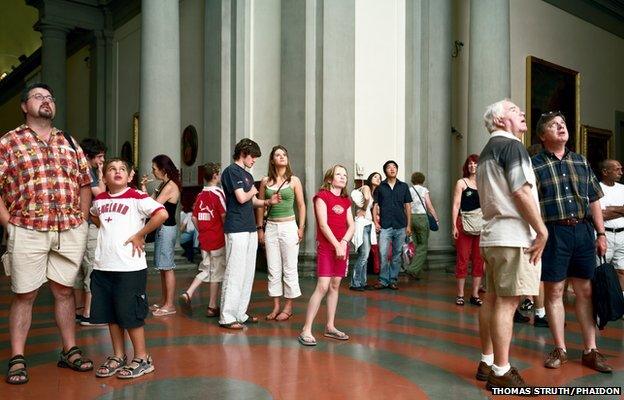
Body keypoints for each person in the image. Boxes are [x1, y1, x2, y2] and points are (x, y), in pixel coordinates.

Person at [1, 83, 94, 384]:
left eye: (50, 98)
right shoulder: (9, 142)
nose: (47, 102)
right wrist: (8, 223)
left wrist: (80, 219)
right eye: (39, 97)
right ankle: (17, 357)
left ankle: (69, 350)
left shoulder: (68, 141)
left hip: (68, 228)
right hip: (27, 227)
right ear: (24, 106)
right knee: (25, 294)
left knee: (65, 291)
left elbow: (84, 182)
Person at [532, 111, 612, 373]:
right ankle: (560, 348)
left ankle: (591, 350)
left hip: (582, 231)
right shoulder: (534, 165)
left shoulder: (580, 161)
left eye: (563, 124)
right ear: (543, 135)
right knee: (554, 292)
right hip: (553, 233)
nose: (561, 127)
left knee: (585, 291)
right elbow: (529, 204)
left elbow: (593, 200)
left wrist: (600, 234)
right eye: (554, 125)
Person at [476, 99, 548, 390]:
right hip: (513, 236)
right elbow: (520, 192)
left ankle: (486, 359)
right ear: (501, 120)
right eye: (514, 110)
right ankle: (502, 371)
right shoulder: (512, 146)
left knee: (492, 299)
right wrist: (541, 230)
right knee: (507, 303)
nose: (521, 113)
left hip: (492, 235)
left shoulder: (485, 152)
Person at [90, 158, 168, 379]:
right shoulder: (100, 200)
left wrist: (139, 234)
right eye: (111, 169)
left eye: (122, 169)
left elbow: (161, 213)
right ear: (104, 176)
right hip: (104, 265)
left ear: (130, 176)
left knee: (130, 314)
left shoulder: (137, 196)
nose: (117, 172)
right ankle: (118, 355)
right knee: (111, 314)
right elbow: (95, 216)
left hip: (129, 267)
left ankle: (142, 358)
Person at [219, 139, 281, 329]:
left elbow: (251, 201)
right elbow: (240, 197)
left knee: (247, 273)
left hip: (249, 227)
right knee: (234, 272)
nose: (254, 160)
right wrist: (253, 189)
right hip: (236, 228)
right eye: (253, 156)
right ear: (243, 153)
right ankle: (227, 316)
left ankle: (240, 312)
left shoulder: (246, 174)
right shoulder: (231, 171)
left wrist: (268, 202)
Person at [298, 165, 355, 346]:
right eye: (338, 174)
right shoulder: (322, 196)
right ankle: (306, 329)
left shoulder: (346, 200)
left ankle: (330, 326)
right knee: (323, 286)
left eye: (345, 175)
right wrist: (336, 244)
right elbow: (323, 225)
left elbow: (351, 225)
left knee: (335, 285)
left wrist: (344, 243)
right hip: (327, 247)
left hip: (341, 247)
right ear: (329, 178)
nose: (343, 177)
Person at [256, 145, 306, 321]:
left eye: (284, 154)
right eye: (278, 155)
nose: (281, 157)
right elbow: (261, 206)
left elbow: (301, 205)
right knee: (273, 268)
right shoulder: (265, 181)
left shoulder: (294, 181)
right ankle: (276, 305)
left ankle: (288, 306)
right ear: (272, 160)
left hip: (289, 226)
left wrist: (301, 227)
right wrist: (260, 229)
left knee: (290, 267)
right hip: (271, 227)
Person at [178, 162, 227, 317]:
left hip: (204, 240)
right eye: (218, 173)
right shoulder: (218, 194)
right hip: (218, 239)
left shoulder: (200, 195)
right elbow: (224, 216)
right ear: (215, 175)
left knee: (206, 269)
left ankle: (190, 293)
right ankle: (211, 306)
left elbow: (193, 218)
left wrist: (202, 231)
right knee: (217, 272)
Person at [140, 154, 181, 317]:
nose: (152, 172)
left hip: (167, 229)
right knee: (163, 268)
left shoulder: (170, 186)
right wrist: (144, 188)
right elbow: (151, 200)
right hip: (162, 229)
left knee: (167, 267)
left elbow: (153, 206)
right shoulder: (164, 183)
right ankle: (165, 301)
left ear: (163, 169)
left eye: (154, 169)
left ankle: (170, 305)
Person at [74, 138, 107, 326]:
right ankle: (89, 313)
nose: (102, 160)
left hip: (77, 223)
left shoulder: (78, 168)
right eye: (100, 157)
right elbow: (101, 196)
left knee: (78, 269)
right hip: (87, 224)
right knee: (91, 267)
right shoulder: (88, 171)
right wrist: (101, 173)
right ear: (88, 155)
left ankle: (79, 311)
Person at [372, 160, 413, 290]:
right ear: (385, 171)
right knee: (383, 253)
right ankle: (383, 280)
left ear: (397, 170)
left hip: (401, 225)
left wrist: (409, 225)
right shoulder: (380, 187)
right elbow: (375, 205)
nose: (392, 169)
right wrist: (376, 222)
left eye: (394, 167)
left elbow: (408, 206)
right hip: (385, 225)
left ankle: (393, 280)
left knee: (396, 254)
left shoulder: (404, 186)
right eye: (389, 167)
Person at [451, 155, 485, 306]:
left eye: (475, 163)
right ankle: (460, 294)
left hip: (481, 225)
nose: (472, 166)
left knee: (479, 260)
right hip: (464, 224)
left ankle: (475, 294)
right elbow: (456, 205)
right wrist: (453, 225)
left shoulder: (485, 183)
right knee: (463, 259)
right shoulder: (462, 182)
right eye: (470, 164)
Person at [350, 172, 381, 291]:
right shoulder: (367, 187)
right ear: (370, 178)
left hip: (367, 224)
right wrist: (363, 209)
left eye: (379, 177)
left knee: (365, 255)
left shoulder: (373, 191)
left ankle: (362, 282)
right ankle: (355, 283)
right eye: (375, 176)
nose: (378, 179)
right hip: (362, 223)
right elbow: (367, 199)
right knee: (364, 255)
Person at [597, 159, 624, 294]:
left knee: (622, 271)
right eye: (617, 169)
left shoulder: (622, 188)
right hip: (604, 235)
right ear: (605, 172)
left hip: (622, 235)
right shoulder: (597, 188)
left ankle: (620, 306)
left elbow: (606, 212)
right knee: (601, 272)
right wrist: (621, 210)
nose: (621, 172)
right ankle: (603, 308)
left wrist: (610, 209)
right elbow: (600, 215)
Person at [406, 172, 439, 281]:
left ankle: (416, 272)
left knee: (415, 245)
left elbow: (406, 206)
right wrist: (435, 218)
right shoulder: (424, 190)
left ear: (412, 180)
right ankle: (412, 269)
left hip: (411, 218)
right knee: (423, 246)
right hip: (421, 218)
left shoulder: (409, 190)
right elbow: (429, 206)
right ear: (423, 180)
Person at [179, 197, 198, 263]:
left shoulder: (201, 215)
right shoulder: (189, 214)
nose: (194, 207)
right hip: (189, 234)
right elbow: (182, 226)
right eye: (193, 206)